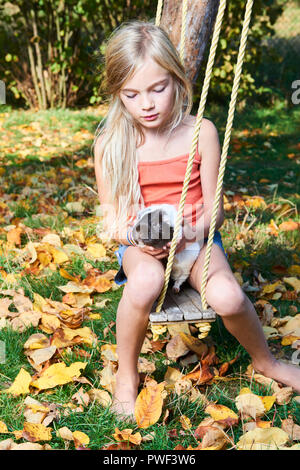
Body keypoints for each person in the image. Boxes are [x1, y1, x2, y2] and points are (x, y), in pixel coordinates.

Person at [93, 21, 300, 419]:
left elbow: (214, 212)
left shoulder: (200, 132)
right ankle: (126, 378)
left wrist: (187, 230)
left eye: (158, 89)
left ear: (177, 80)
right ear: (118, 94)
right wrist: (140, 239)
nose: (147, 104)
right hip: (141, 243)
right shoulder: (111, 143)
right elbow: (112, 221)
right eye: (132, 94)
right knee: (146, 281)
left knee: (228, 297)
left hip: (196, 238)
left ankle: (266, 362)